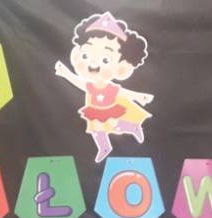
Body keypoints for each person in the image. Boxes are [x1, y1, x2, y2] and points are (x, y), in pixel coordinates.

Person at [54, 12, 153, 162]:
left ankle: (132, 128)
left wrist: (139, 97)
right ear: (76, 55)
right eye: (85, 56)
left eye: (106, 60)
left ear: (121, 68)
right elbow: (78, 82)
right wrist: (65, 74)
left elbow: (123, 93)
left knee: (113, 125)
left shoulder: (110, 87)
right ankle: (104, 147)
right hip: (94, 110)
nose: (93, 64)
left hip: (109, 109)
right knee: (96, 129)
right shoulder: (90, 85)